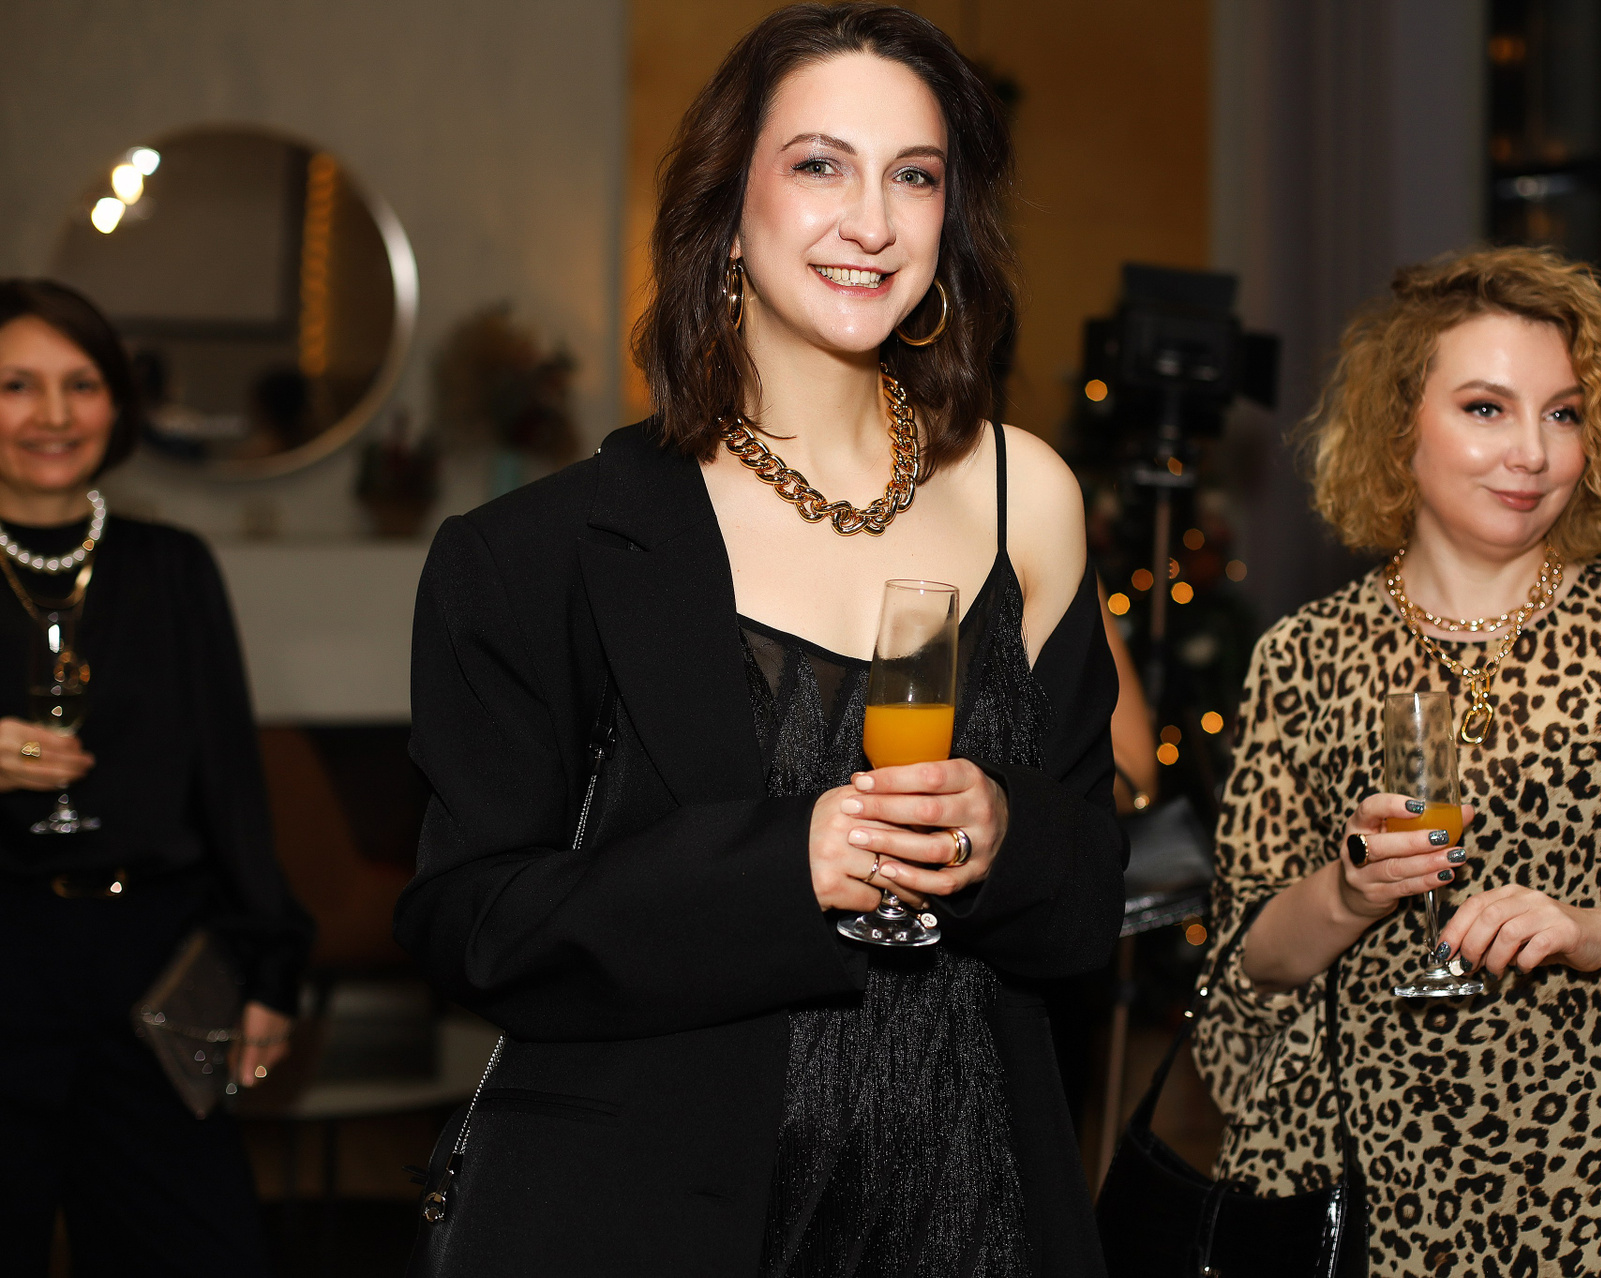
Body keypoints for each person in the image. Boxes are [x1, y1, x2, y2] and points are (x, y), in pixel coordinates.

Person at [394, 6, 1125, 1275]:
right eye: (820, 164)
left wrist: (1003, 836)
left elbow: (1091, 895)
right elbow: (473, 925)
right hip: (663, 1222)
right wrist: (786, 865)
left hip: (976, 1216)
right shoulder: (543, 551)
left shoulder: (1026, 499)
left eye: (915, 176)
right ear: (727, 208)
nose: (872, 221)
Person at [1190, 246, 1601, 1276]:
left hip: (1595, 1196)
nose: (1532, 452)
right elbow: (1251, 958)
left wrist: (1594, 932)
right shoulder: (1304, 653)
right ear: (1399, 428)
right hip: (1356, 1185)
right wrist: (1348, 891)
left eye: (1563, 414)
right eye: (1487, 408)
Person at [0, 279, 312, 1274]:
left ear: (118, 403)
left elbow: (230, 784)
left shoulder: (171, 566)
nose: (53, 415)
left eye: (81, 384)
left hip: (152, 975)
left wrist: (269, 966)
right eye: (16, 385)